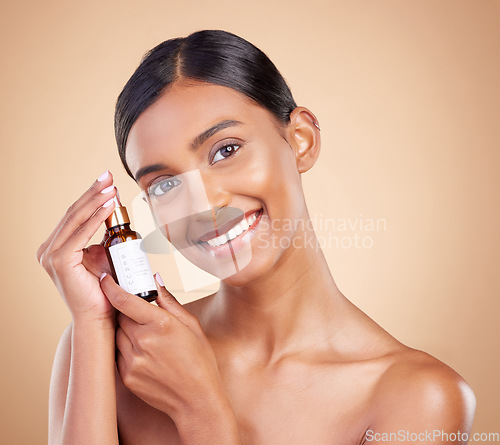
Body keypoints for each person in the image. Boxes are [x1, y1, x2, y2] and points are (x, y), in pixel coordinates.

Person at [37, 29, 476, 445]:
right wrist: (93, 327)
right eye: (165, 184)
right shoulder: (112, 355)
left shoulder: (419, 397)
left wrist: (202, 410)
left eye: (225, 150)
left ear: (300, 140)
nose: (204, 204)